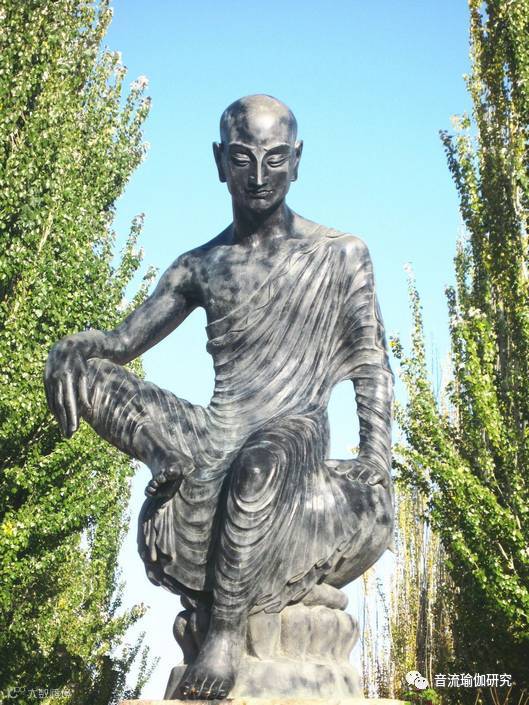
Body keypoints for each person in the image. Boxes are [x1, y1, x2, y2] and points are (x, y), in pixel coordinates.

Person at [45, 94, 394, 700]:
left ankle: (227, 631)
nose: (258, 175)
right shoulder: (201, 265)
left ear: (297, 161)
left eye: (274, 158)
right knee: (93, 376)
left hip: (293, 429)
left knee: (256, 466)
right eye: (242, 158)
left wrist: (376, 456)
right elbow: (122, 344)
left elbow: (371, 364)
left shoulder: (340, 254)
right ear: (219, 161)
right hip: (218, 428)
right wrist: (75, 348)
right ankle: (169, 458)